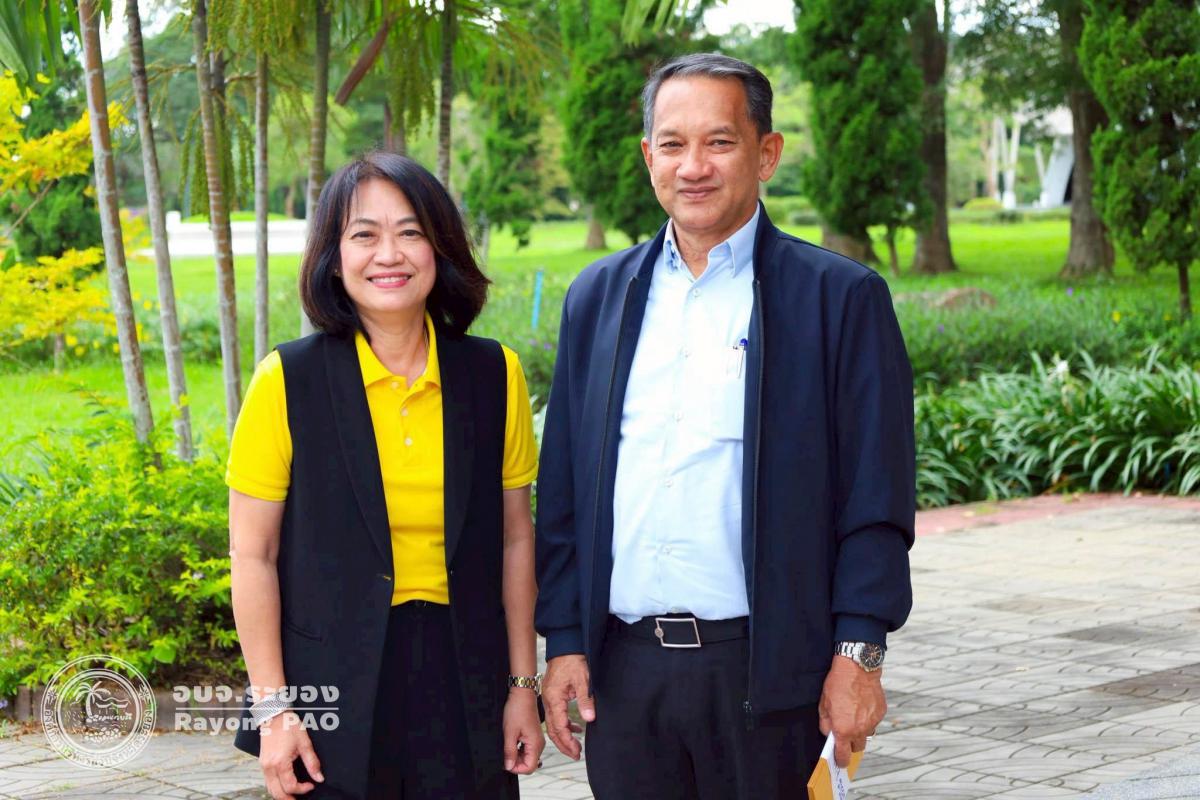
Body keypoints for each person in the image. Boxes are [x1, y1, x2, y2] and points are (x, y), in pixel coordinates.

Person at [534, 53, 915, 799]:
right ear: (648, 157)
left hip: (770, 674)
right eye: (672, 145)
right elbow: (567, 494)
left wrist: (860, 654)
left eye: (719, 142)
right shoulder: (597, 298)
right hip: (625, 678)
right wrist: (566, 643)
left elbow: (877, 497)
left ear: (766, 153)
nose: (693, 167)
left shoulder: (840, 299)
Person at [226, 151, 545, 800]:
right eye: (364, 235)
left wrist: (522, 686)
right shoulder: (286, 380)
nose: (389, 255)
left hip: (467, 679)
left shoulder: (495, 374)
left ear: (440, 247)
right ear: (333, 257)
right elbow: (252, 555)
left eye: (410, 232)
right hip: (330, 684)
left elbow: (516, 540)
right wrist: (274, 708)